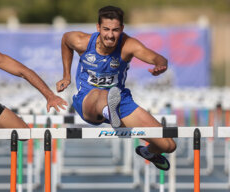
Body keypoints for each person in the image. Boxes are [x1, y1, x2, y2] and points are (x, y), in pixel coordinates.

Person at [56, 6, 176, 170]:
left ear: (122, 29)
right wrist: (66, 76)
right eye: (106, 29)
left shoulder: (128, 45)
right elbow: (65, 40)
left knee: (168, 145)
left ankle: (147, 152)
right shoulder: (81, 41)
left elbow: (158, 58)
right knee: (100, 93)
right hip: (88, 101)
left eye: (115, 30)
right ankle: (110, 114)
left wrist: (160, 65)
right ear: (98, 28)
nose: (110, 35)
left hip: (120, 102)